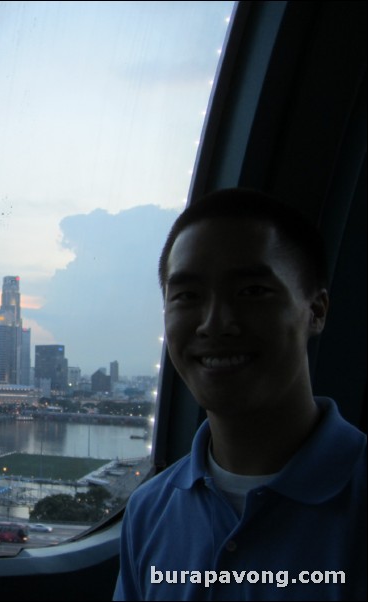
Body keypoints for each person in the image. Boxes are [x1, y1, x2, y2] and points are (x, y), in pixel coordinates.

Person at [114, 188, 366, 600]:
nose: (215, 324)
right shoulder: (150, 510)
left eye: (251, 291)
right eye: (187, 297)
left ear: (316, 311)